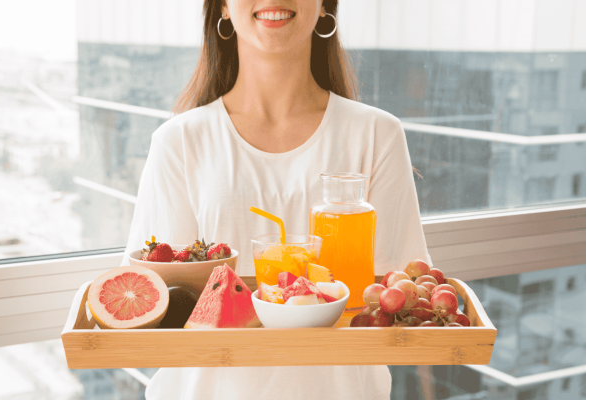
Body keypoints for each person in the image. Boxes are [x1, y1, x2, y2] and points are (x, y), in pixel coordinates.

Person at [122, 1, 432, 398]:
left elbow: (399, 295)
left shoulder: (377, 135)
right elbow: (151, 296)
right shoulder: (178, 141)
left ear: (325, 6)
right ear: (223, 7)